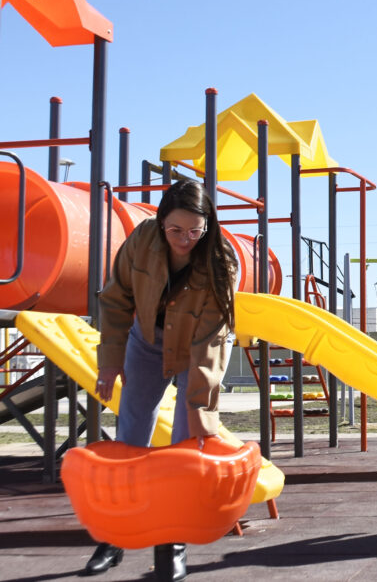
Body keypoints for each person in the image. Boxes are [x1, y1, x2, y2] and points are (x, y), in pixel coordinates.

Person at [84, 179, 238, 580]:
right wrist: (110, 361)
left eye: (195, 231)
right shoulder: (143, 240)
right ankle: (115, 535)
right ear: (160, 221)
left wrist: (200, 401)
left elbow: (212, 338)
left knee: (185, 444)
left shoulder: (222, 260)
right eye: (175, 230)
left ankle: (173, 541)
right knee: (131, 431)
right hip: (146, 340)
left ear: (208, 225)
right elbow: (117, 299)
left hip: (195, 347)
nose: (185, 239)